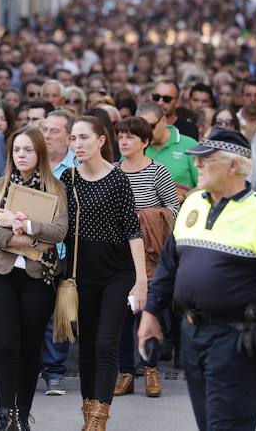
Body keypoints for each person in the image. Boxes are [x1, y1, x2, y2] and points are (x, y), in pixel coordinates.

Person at [139, 128, 256, 431]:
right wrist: (152, 313)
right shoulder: (192, 204)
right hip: (192, 335)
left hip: (237, 339)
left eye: (207, 159)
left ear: (233, 166)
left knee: (227, 426)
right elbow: (168, 266)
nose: (198, 165)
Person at [61, 115, 148, 430]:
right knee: (86, 347)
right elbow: (58, 227)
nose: (78, 144)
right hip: (80, 275)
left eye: (84, 137)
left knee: (106, 343)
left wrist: (141, 280)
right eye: (73, 138)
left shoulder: (118, 178)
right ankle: (88, 412)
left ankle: (100, 417)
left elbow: (133, 231)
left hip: (117, 273)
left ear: (101, 140)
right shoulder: (68, 179)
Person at [0, 126, 68, 430]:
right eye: (17, 149)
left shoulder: (55, 187)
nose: (21, 155)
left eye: (28, 149)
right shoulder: (1, 185)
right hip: (2, 274)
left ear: (39, 152)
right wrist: (30, 240)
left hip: (37, 278)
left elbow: (59, 231)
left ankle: (22, 413)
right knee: (5, 346)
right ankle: (5, 415)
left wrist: (24, 222)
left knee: (31, 347)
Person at [113, 117, 180, 398]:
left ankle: (151, 369)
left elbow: (174, 209)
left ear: (145, 142)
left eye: (130, 137)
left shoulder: (158, 172)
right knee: (122, 317)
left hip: (151, 255)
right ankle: (126, 372)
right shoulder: (112, 171)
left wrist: (147, 218)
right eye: (121, 136)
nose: (124, 141)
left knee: (148, 313)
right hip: (118, 254)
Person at [39, 109, 79, 396]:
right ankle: (31, 367)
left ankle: (54, 371)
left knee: (59, 311)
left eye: (54, 131)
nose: (47, 135)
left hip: (69, 251)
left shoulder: (78, 167)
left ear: (69, 137)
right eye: (44, 129)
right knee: (32, 310)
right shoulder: (29, 162)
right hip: (32, 249)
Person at [137, 102, 198, 197]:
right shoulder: (134, 146)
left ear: (164, 121)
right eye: (140, 128)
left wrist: (183, 197)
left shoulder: (190, 145)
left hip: (182, 209)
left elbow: (205, 184)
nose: (146, 131)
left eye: (151, 126)